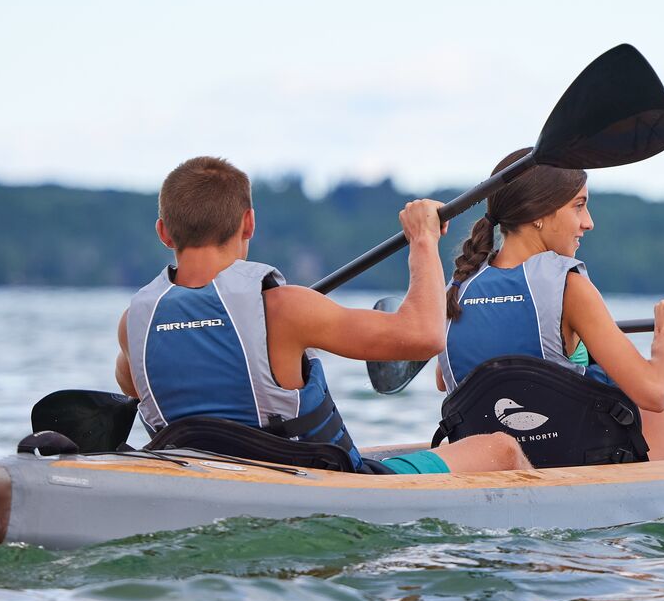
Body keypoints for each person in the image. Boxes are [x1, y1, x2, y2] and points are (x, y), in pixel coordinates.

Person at [114, 156, 529, 475]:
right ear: (248, 224)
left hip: (202, 479)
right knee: (501, 447)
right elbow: (424, 336)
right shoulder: (284, 307)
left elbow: (145, 388)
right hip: (325, 483)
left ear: (164, 232)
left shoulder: (134, 325)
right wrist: (422, 241)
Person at [440, 149, 664, 460]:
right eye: (578, 206)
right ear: (539, 213)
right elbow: (655, 393)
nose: (588, 222)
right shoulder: (567, 284)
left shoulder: (457, 287)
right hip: (584, 463)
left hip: (499, 461)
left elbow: (446, 380)